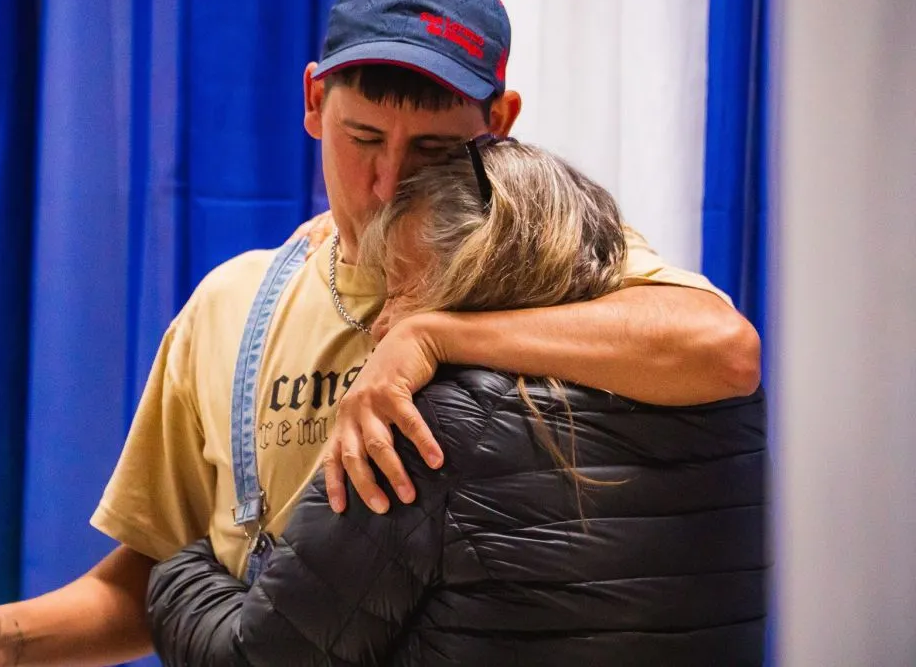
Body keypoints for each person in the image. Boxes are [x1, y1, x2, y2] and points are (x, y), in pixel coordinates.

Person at [0, 0, 760, 667]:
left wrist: (434, 333)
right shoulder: (229, 308)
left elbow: (720, 347)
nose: (385, 185)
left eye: (436, 149)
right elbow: (151, 573)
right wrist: (5, 634)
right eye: (364, 138)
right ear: (311, 103)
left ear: (501, 120)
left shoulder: (549, 267)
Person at [146, 138, 767, 665]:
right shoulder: (730, 417)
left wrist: (182, 570)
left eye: (406, 286)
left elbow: (259, 657)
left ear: (487, 270)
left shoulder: (433, 430)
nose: (382, 322)